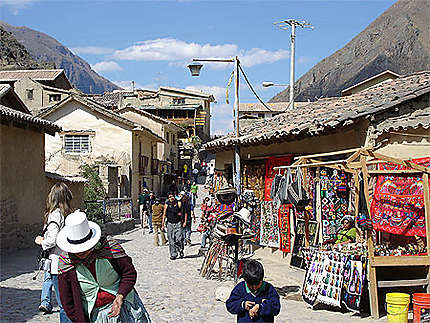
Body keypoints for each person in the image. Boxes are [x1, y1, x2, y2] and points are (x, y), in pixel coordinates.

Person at [57, 210, 151, 322]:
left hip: (126, 307)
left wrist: (120, 295)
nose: (81, 252)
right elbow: (67, 301)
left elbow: (129, 273)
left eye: (84, 248)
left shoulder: (109, 249)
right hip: (96, 317)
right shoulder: (66, 263)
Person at [34, 182, 73, 323]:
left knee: (64, 304)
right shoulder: (70, 214)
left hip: (58, 262)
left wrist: (40, 241)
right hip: (71, 261)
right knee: (70, 302)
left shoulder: (55, 215)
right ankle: (45, 301)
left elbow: (52, 240)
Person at [162, 193, 184, 260]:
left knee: (179, 239)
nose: (171, 198)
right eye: (170, 197)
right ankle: (173, 254)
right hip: (170, 224)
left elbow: (182, 212)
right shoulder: (167, 205)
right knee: (171, 240)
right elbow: (164, 214)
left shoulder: (179, 203)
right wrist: (162, 224)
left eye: (172, 196)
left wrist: (183, 221)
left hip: (178, 223)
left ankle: (180, 249)